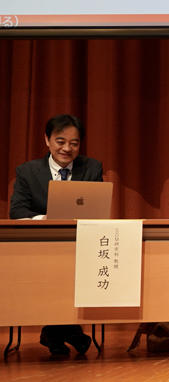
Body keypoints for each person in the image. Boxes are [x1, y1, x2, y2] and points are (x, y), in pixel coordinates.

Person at [9, 114, 102, 356]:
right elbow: (17, 211)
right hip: (39, 248)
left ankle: (54, 334)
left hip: (82, 248)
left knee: (75, 267)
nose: (67, 148)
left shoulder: (92, 168)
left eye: (74, 143)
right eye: (61, 141)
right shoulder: (28, 171)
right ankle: (70, 332)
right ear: (47, 140)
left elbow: (98, 209)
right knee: (54, 268)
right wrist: (45, 219)